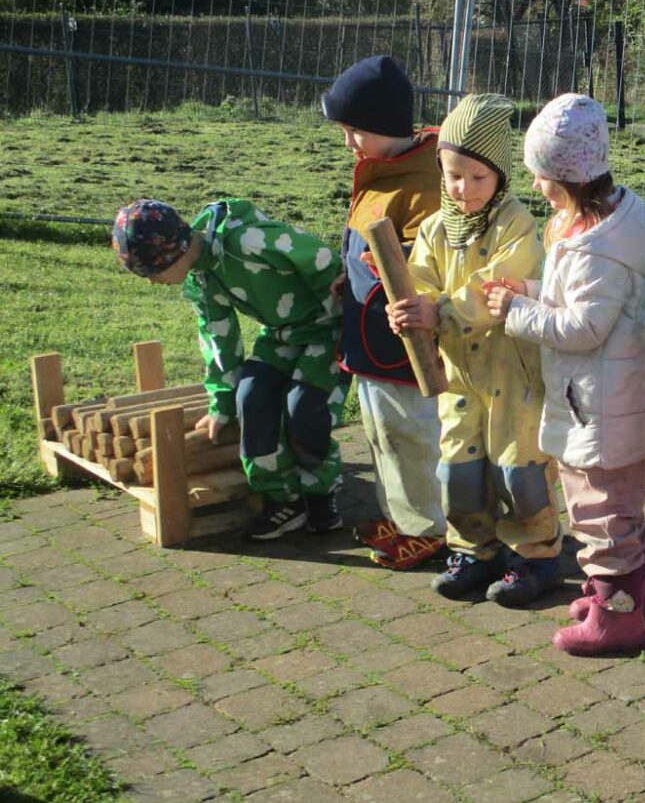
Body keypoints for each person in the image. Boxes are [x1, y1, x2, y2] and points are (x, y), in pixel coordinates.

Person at [486, 93, 645, 654]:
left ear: (566, 175)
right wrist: (532, 291)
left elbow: (582, 328)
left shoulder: (595, 250)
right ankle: (629, 589)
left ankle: (617, 617)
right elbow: (577, 304)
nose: (537, 186)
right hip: (604, 399)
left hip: (598, 407)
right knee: (616, 506)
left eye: (541, 176)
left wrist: (515, 312)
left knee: (598, 511)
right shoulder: (602, 230)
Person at [391, 93, 563, 607]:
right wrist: (406, 309)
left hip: (514, 376)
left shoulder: (518, 224)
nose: (463, 188)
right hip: (460, 378)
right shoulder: (433, 230)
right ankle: (472, 551)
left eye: (477, 177)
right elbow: (416, 281)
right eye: (452, 175)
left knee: (519, 470)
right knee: (459, 471)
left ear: (501, 176)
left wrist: (439, 310)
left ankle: (535, 556)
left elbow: (499, 289)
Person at [111, 197, 345, 540]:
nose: (153, 283)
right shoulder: (202, 279)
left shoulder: (250, 242)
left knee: (304, 409)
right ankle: (283, 500)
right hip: (282, 336)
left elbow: (322, 259)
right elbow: (219, 338)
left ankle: (321, 496)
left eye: (152, 272)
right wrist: (221, 403)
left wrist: (348, 310)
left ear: (171, 253)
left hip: (329, 333)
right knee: (250, 398)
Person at [322, 54, 446, 570]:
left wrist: (395, 267)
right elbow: (362, 233)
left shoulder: (426, 182)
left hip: (401, 344)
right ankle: (399, 517)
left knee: (412, 437)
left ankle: (431, 528)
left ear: (384, 125)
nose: (349, 142)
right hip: (368, 334)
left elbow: (433, 262)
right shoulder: (380, 167)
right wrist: (347, 276)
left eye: (355, 130)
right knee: (380, 433)